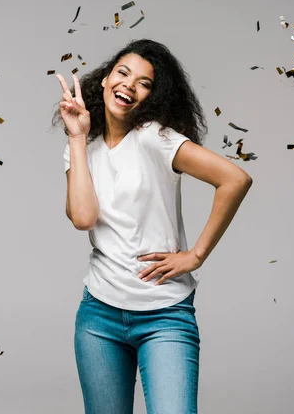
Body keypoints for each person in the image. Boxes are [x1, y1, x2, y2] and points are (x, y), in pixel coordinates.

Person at [52, 38, 253, 414]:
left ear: (153, 96)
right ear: (106, 78)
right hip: (99, 316)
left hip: (164, 314)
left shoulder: (156, 139)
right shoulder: (83, 147)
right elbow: (83, 218)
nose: (129, 84)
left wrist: (195, 255)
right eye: (123, 73)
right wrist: (77, 137)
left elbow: (234, 179)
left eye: (144, 82)